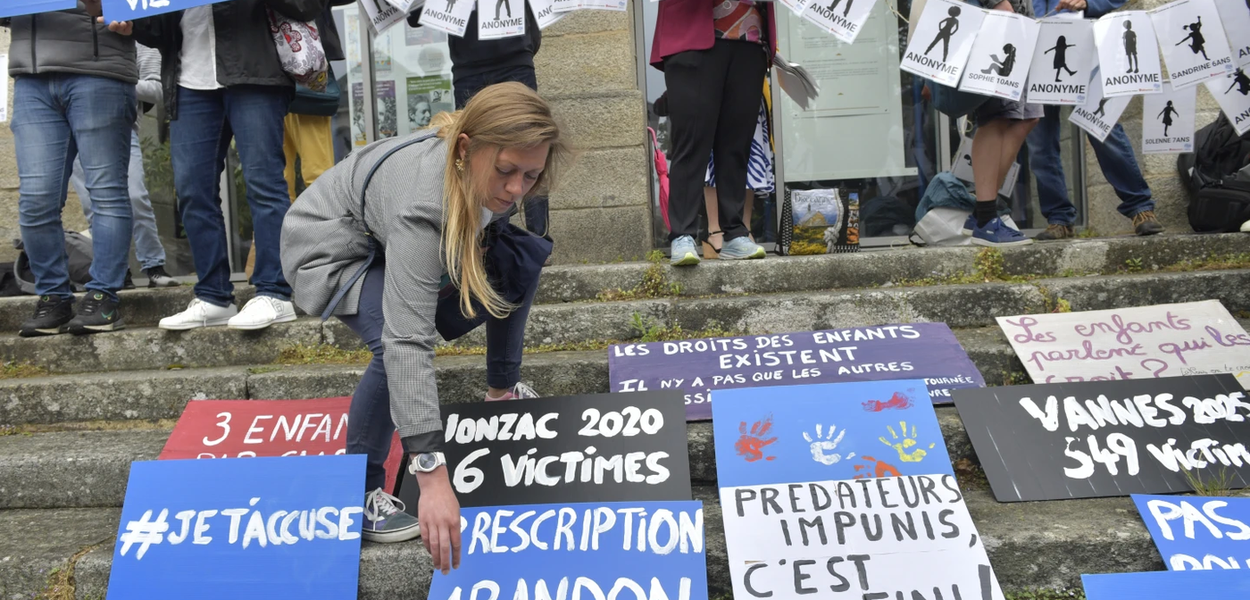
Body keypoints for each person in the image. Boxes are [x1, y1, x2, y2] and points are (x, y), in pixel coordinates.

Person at [281, 83, 566, 552]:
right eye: (506, 172)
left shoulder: (488, 174)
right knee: (390, 344)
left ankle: (501, 389)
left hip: (387, 236)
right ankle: (361, 493)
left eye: (531, 176)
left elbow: (489, 218)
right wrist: (432, 479)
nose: (517, 189)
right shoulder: (423, 205)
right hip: (331, 247)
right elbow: (408, 340)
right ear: (466, 148)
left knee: (521, 258)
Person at [133, 0, 326, 332]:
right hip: (188, 80)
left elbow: (308, 5)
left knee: (264, 184)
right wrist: (133, 24)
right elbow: (159, 27)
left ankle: (274, 292)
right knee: (193, 191)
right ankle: (213, 296)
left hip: (256, 71)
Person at [6, 2, 138, 337]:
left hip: (99, 70)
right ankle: (53, 296)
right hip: (31, 77)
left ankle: (103, 295)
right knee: (36, 200)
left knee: (105, 190)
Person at [406, 6, 551, 241]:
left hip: (511, 58)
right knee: (475, 152)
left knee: (530, 147)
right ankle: (490, 237)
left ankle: (537, 239)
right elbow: (414, 15)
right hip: (472, 66)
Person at [1026, 0, 1161, 240]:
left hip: (1082, 45)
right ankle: (1059, 218)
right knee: (1039, 143)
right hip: (1031, 50)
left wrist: (1089, 3)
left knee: (1103, 128)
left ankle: (1140, 208)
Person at [652, 0, 773, 265]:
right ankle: (682, 234)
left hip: (750, 37)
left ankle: (734, 233)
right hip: (693, 36)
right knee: (692, 140)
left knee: (736, 144)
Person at [68, 44, 179, 289]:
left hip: (119, 127)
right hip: (74, 127)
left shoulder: (139, 37)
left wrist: (114, 80)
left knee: (135, 196)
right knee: (93, 206)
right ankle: (116, 272)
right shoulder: (71, 29)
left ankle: (153, 266)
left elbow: (158, 90)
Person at [963, 0, 1042, 247]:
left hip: (1021, 26)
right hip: (996, 21)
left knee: (1028, 116)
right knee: (996, 117)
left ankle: (979, 214)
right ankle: (986, 220)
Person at [283, 0, 356, 202]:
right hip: (260, 70)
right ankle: (280, 232)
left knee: (317, 174)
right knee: (274, 178)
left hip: (306, 69)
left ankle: (323, 230)